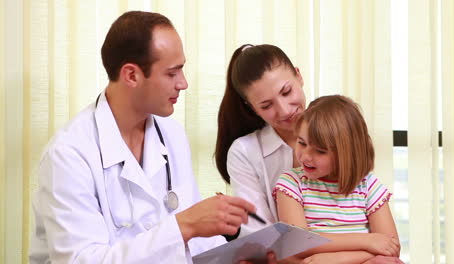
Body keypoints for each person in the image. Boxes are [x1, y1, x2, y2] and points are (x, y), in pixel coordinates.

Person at [29, 11, 264, 264]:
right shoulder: (69, 155)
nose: (183, 83)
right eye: (172, 73)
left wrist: (236, 257)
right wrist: (183, 226)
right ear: (131, 75)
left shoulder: (170, 134)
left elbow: (199, 241)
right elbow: (82, 260)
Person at [216, 45, 403, 263]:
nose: (285, 110)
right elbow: (270, 240)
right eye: (266, 105)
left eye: (287, 92)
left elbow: (388, 245)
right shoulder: (252, 156)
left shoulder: (334, 126)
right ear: (252, 108)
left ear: (299, 75)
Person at [274, 95, 401, 263]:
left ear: (346, 154)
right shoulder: (291, 183)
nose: (305, 156)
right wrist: (367, 242)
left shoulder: (368, 186)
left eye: (320, 151)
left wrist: (331, 259)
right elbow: (297, 242)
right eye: (302, 143)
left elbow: (390, 247)